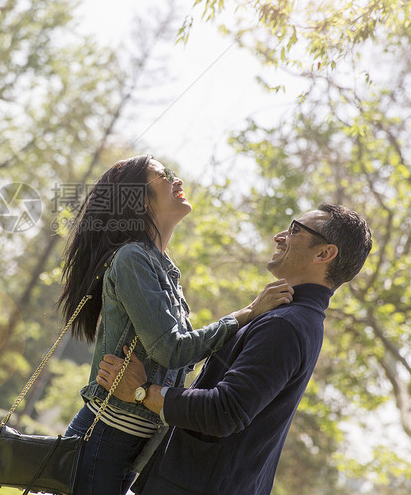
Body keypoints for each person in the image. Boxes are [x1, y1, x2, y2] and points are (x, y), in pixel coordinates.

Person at [97, 202, 373, 495]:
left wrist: (141, 392)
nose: (280, 236)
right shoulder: (294, 318)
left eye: (295, 230)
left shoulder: (288, 325)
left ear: (324, 253)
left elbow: (224, 411)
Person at [58, 154, 294, 495]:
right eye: (163, 174)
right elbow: (172, 349)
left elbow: (180, 355)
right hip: (105, 435)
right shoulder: (132, 259)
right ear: (138, 198)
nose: (176, 179)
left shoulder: (165, 268)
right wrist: (247, 313)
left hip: (131, 441)